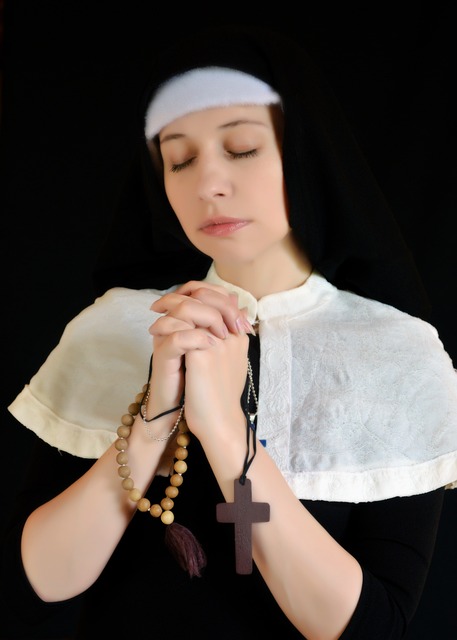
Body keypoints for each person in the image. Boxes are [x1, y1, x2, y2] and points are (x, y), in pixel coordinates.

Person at [1, 23, 457, 640]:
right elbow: (37, 586)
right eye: (179, 158)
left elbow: (373, 628)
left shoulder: (397, 353)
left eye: (241, 147)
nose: (207, 184)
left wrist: (222, 429)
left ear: (304, 153)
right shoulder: (113, 330)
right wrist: (155, 415)